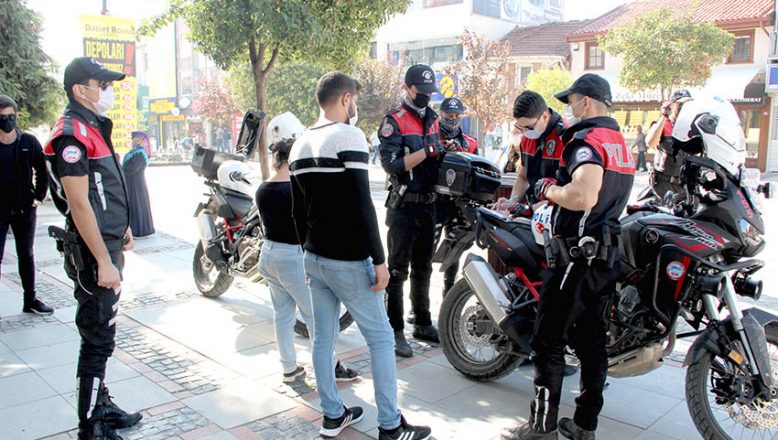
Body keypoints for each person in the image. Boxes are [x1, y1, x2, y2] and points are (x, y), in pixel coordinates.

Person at [289, 71, 431, 440]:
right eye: (355, 100)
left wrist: (308, 253)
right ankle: (390, 424)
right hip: (349, 259)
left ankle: (333, 415)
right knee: (381, 338)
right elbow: (362, 204)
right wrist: (380, 260)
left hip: (315, 257)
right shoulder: (347, 136)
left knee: (323, 338)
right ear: (346, 98)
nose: (356, 107)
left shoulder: (299, 143)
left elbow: (297, 211)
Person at [501, 74, 634, 440]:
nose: (569, 108)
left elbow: (583, 196)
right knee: (592, 345)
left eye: (572, 101)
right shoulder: (619, 142)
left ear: (586, 102)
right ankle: (584, 426)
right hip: (604, 257)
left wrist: (550, 189)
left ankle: (540, 427)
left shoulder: (586, 140)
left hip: (577, 256)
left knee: (547, 341)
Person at [43, 57, 142, 440]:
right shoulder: (71, 133)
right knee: (97, 335)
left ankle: (102, 403)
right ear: (79, 90)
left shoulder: (90, 126)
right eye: (100, 84)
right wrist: (103, 258)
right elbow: (79, 203)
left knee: (104, 328)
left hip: (107, 243)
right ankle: (90, 424)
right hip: (91, 253)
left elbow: (103, 191)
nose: (106, 90)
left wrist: (122, 229)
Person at [256, 111, 359, 384]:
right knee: (317, 319)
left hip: (269, 255)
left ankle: (289, 368)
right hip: (293, 258)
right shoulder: (297, 188)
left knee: (282, 315)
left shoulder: (263, 188)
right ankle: (331, 368)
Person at [378, 64, 442, 358]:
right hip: (404, 205)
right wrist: (428, 151)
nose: (426, 97)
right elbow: (391, 165)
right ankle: (395, 330)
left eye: (430, 92)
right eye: (421, 92)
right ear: (407, 88)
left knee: (424, 268)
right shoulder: (394, 121)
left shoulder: (434, 119)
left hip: (429, 205)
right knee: (397, 271)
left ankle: (423, 322)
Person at [0, 95, 52, 316]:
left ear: (17, 116)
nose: (7, 121)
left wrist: (38, 197)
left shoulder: (28, 142)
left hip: (24, 208)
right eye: (2, 117)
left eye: (10, 116)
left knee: (26, 255)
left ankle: (30, 300)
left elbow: (43, 169)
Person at [493, 90, 566, 212]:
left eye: (529, 127)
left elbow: (569, 192)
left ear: (545, 116)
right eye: (521, 127)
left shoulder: (565, 137)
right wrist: (512, 201)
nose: (525, 131)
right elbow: (523, 176)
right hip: (533, 208)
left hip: (557, 213)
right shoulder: (527, 138)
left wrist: (527, 209)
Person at [433, 97, 477, 298]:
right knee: (426, 253)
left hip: (458, 206)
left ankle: (448, 293)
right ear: (439, 115)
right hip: (434, 202)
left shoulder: (469, 142)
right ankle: (418, 301)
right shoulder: (430, 139)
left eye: (456, 116)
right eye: (447, 116)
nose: (452, 119)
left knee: (453, 253)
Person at [645, 89, 692, 199]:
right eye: (680, 104)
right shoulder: (663, 124)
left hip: (686, 186)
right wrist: (663, 116)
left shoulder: (691, 126)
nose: (683, 107)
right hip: (665, 185)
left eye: (687, 104)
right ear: (671, 105)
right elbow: (650, 142)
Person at [122, 132, 155, 237]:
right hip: (131, 183)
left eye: (133, 138)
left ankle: (139, 230)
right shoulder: (134, 152)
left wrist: (121, 170)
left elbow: (132, 169)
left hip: (136, 184)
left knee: (137, 205)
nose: (131, 140)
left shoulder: (140, 153)